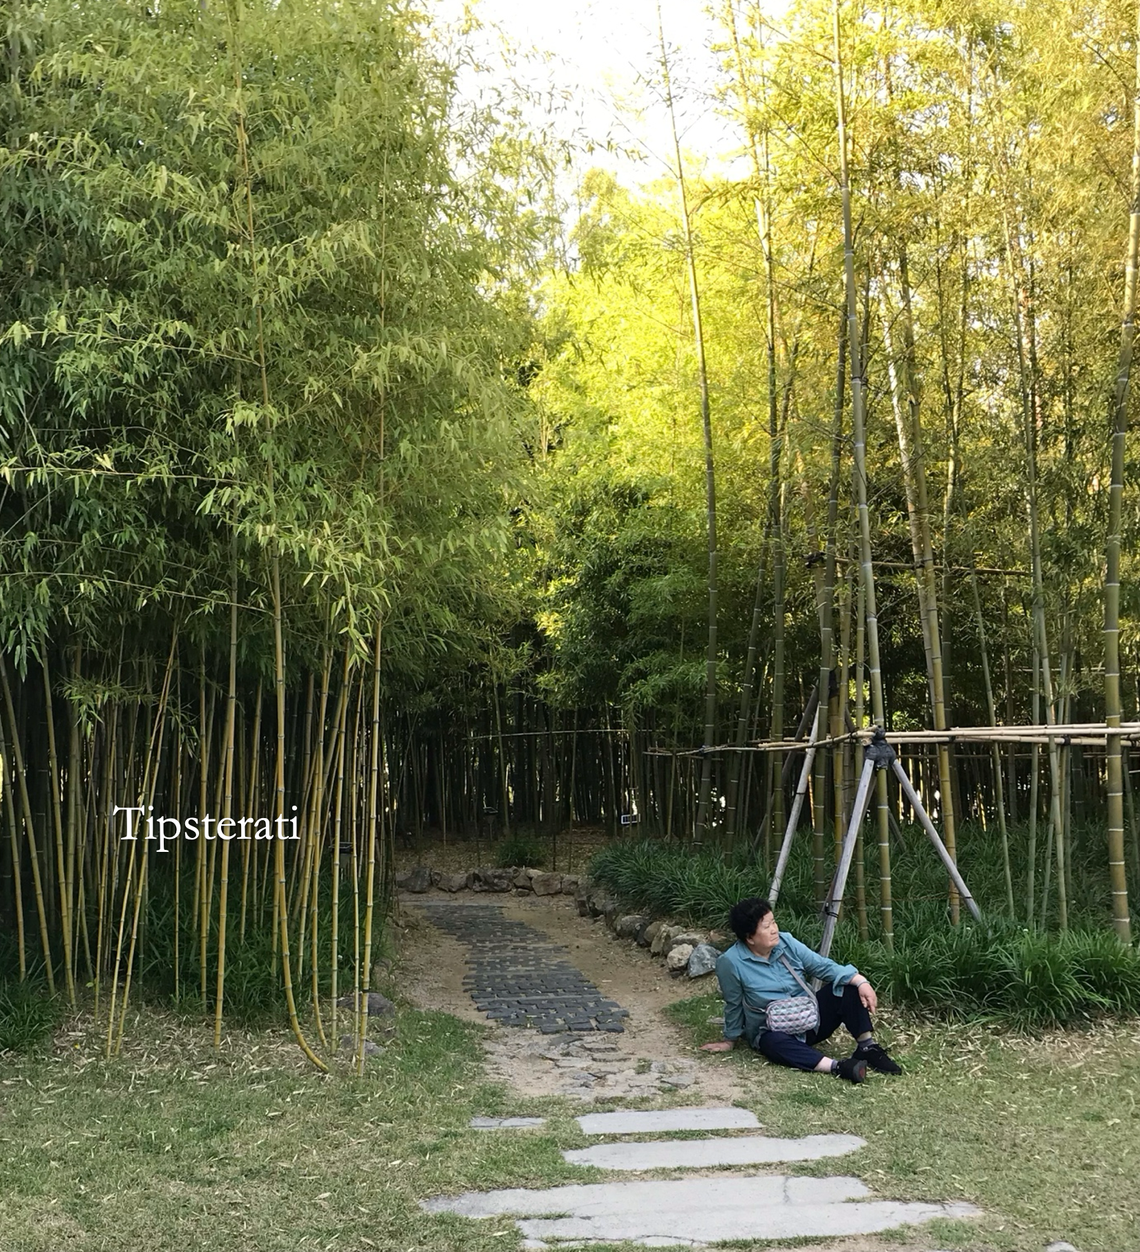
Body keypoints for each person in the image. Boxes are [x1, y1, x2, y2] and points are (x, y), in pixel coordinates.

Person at [700, 896, 901, 1083]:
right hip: (773, 1029)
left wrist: (860, 981)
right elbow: (733, 1003)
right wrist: (729, 1040)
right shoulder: (731, 962)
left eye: (774, 922)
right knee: (771, 1043)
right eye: (766, 926)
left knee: (846, 987)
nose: (774, 929)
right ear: (750, 938)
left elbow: (822, 966)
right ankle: (837, 1066)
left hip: (809, 1020)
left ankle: (867, 1047)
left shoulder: (786, 942)